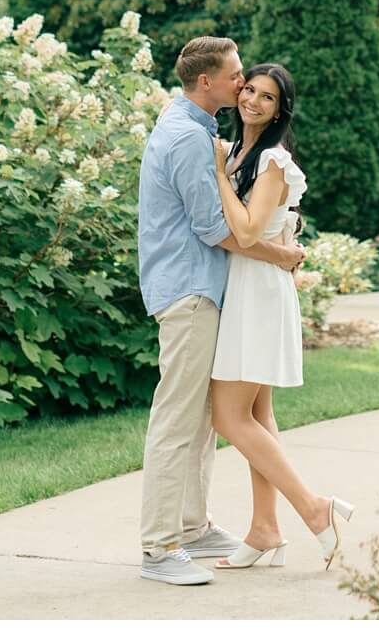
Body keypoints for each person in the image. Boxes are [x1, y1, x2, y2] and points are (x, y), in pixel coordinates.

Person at [137, 36, 306, 587]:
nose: (242, 84)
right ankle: (160, 548)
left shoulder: (200, 129)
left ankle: (191, 526)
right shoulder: (189, 138)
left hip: (202, 291)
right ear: (206, 82)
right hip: (189, 293)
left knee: (204, 421)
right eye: (236, 76)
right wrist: (280, 254)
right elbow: (215, 229)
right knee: (177, 420)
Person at [209, 63, 355, 570]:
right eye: (249, 89)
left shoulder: (271, 159)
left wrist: (216, 173)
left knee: (228, 416)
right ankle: (265, 529)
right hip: (251, 285)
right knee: (258, 416)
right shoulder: (240, 152)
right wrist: (223, 162)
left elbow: (248, 232)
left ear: (279, 110)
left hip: (258, 292)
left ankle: (315, 509)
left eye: (266, 97)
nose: (252, 100)